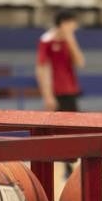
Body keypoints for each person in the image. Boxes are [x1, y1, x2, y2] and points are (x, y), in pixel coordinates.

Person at [36, 10, 85, 173]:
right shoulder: (46, 40)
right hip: (56, 93)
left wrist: (70, 39)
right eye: (72, 23)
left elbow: (80, 62)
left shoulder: (69, 40)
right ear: (63, 23)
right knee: (59, 131)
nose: (75, 26)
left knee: (74, 130)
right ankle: (66, 167)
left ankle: (73, 164)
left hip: (70, 91)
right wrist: (47, 96)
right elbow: (42, 69)